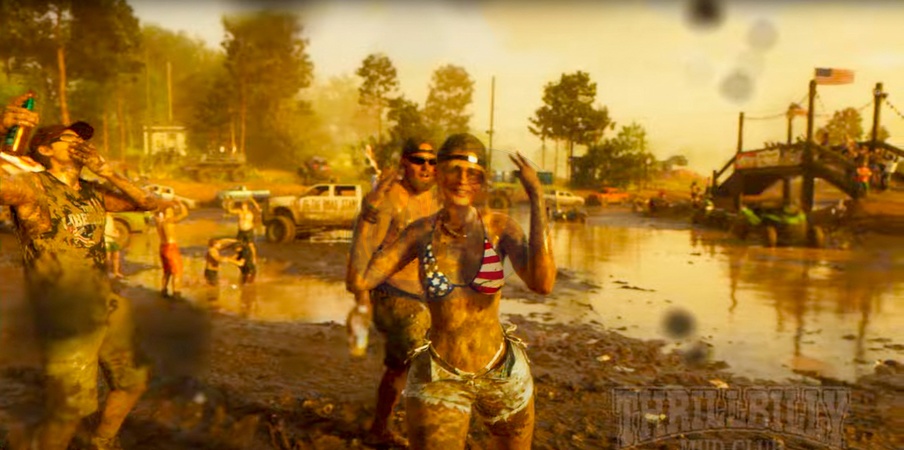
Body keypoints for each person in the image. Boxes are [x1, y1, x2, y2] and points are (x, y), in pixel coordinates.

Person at [349, 133, 556, 449]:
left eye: (472, 172)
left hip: (502, 371)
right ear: (439, 175)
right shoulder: (421, 232)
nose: (462, 179)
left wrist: (537, 198)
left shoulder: (499, 228)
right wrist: (367, 216)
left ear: (482, 180)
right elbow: (360, 281)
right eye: (453, 170)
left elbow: (543, 283)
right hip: (441, 376)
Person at [0, 97, 159, 450]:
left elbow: (148, 203)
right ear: (45, 149)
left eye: (81, 139)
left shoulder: (93, 192)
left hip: (103, 301)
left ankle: (103, 441)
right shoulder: (32, 187)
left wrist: (107, 171)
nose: (78, 143)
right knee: (68, 410)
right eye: (68, 139)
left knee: (133, 381)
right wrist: (1, 130)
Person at [346, 139, 439, 447]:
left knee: (400, 367)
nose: (426, 167)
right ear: (404, 163)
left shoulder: (435, 200)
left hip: (424, 295)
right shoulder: (389, 199)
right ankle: (421, 430)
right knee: (419, 357)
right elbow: (364, 245)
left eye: (431, 161)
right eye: (419, 160)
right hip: (391, 292)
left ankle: (379, 425)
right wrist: (360, 296)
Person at [156, 200, 189, 298]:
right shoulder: (169, 220)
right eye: (171, 211)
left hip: (162, 247)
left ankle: (163, 290)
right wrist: (180, 203)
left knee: (167, 271)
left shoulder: (159, 221)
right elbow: (185, 213)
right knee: (177, 272)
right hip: (171, 247)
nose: (173, 212)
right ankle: (176, 292)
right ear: (167, 213)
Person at [104, 213, 124, 278]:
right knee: (107, 258)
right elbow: (103, 231)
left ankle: (116, 272)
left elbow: (113, 227)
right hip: (106, 240)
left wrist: (116, 231)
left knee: (116, 256)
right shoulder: (103, 217)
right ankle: (107, 273)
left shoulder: (110, 217)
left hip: (112, 240)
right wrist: (113, 235)